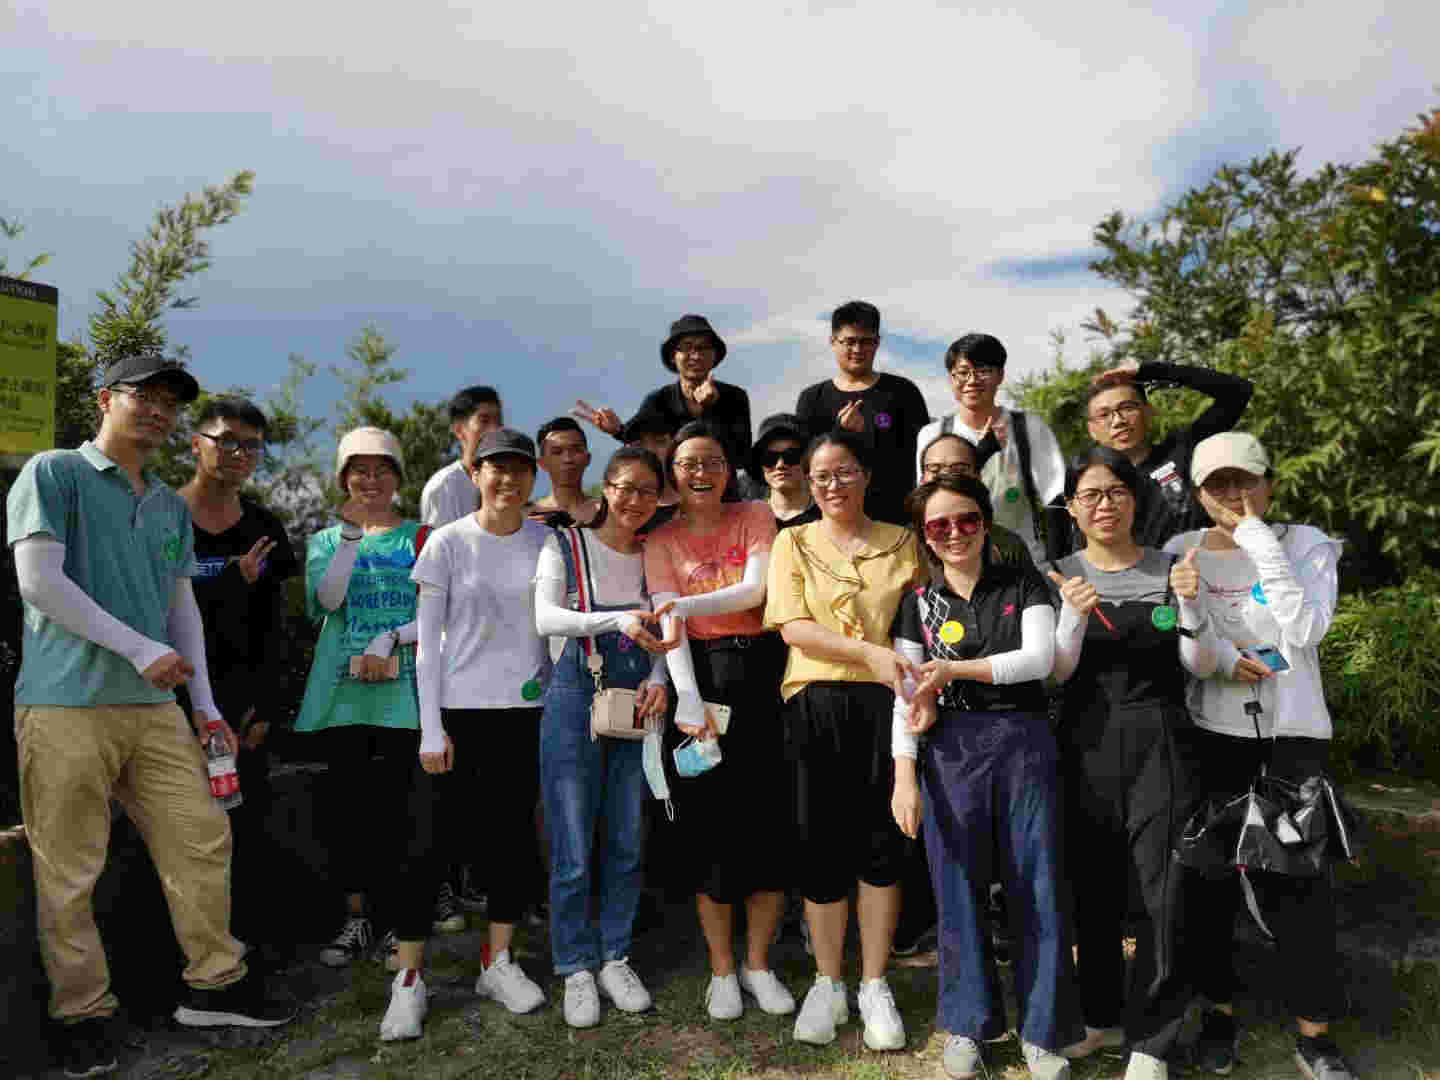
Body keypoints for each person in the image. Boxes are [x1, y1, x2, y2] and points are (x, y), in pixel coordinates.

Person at [8, 354, 293, 1077]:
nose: (159, 412)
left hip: (155, 706)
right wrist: (139, 651)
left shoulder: (166, 503)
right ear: (106, 399)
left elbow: (179, 603)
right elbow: (38, 581)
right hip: (64, 702)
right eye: (145, 397)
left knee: (201, 836)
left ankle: (214, 984)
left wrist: (206, 705)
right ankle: (83, 1015)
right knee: (69, 868)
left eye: (171, 403)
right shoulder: (53, 473)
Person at [1162, 433, 1354, 1080]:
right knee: (1209, 885)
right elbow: (1185, 651)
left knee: (1301, 885)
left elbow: (1305, 630)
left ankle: (1315, 1035)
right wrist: (1207, 634)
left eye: (1244, 479)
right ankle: (1218, 1017)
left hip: (1293, 738)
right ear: (1197, 494)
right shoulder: (1179, 551)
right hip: (1213, 737)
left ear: (1269, 483)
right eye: (1216, 484)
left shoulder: (1306, 544)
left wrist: (1257, 539)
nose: (1232, 494)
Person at [891, 475, 1080, 1080]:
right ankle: (968, 1024)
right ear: (925, 535)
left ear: (986, 522)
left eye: (967, 519)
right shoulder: (915, 601)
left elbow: (1039, 661)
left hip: (1024, 741)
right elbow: (906, 696)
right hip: (949, 751)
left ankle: (1044, 1032)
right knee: (957, 888)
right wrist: (903, 773)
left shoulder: (1023, 584)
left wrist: (953, 671)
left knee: (1037, 885)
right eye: (939, 525)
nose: (955, 533)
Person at [376, 429, 556, 1039]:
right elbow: (427, 644)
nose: (508, 479)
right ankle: (409, 979)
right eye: (495, 468)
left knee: (511, 844)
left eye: (520, 469)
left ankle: (497, 962)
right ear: (475, 474)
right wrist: (431, 728)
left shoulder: (546, 541)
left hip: (523, 715)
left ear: (533, 478)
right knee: (426, 846)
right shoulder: (447, 542)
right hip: (454, 717)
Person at [1046, 447, 1217, 1080]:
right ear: (1072, 508)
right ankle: (1099, 1017)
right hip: (1083, 739)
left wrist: (1192, 606)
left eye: (1116, 491)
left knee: (1161, 889)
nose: (1104, 505)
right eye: (1090, 495)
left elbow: (1201, 665)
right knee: (1090, 885)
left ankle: (1152, 1039)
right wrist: (1070, 616)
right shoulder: (1059, 575)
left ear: (1136, 500)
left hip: (1162, 739)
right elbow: (1054, 674)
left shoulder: (1174, 569)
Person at [762, 430, 926, 1050]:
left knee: (881, 842)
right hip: (815, 700)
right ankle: (828, 982)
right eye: (822, 476)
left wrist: (891, 666)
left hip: (887, 705)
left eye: (846, 471)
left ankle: (874, 983)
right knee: (821, 843)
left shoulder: (903, 542)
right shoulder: (793, 541)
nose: (834, 485)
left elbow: (916, 626)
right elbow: (793, 627)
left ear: (866, 475)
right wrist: (868, 653)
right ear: (808, 483)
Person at [643, 422, 795, 1022]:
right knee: (708, 827)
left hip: (762, 675)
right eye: (688, 464)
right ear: (672, 475)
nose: (700, 473)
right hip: (699, 676)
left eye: (711, 462)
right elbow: (669, 627)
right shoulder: (661, 539)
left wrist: (682, 603)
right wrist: (686, 698)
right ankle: (723, 969)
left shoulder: (755, 515)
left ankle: (758, 963)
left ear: (728, 471)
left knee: (768, 823)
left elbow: (755, 592)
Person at [534, 447, 675, 1028]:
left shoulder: (656, 554)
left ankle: (615, 955)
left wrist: (660, 678)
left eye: (647, 490)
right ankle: (575, 966)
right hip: (576, 695)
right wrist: (615, 620)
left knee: (626, 835)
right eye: (624, 487)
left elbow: (669, 628)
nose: (634, 500)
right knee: (571, 839)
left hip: (636, 698)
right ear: (606, 487)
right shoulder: (565, 545)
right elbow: (546, 617)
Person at [296, 428, 427, 972]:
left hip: (406, 695)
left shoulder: (422, 537)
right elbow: (328, 601)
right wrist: (351, 537)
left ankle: (400, 921)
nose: (370, 481)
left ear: (397, 477)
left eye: (381, 470)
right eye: (359, 471)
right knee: (348, 814)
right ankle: (357, 918)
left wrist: (390, 639)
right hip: (343, 698)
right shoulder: (328, 541)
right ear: (344, 478)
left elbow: (437, 614)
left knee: (402, 812)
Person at [177, 396, 298, 956]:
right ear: (195, 443)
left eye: (251, 446)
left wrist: (267, 706)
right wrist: (229, 580)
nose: (238, 454)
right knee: (179, 831)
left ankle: (247, 951)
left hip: (242, 710)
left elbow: (275, 625)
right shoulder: (162, 516)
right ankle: (180, 957)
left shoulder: (263, 526)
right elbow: (152, 608)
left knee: (246, 827)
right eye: (226, 440)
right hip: (169, 702)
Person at [914, 333, 1064, 563]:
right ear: (951, 378)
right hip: (954, 562)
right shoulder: (933, 434)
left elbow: (1055, 500)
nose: (972, 380)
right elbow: (926, 502)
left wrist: (1059, 563)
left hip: (1021, 563)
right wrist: (982, 453)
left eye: (983, 371)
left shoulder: (1028, 428)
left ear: (1000, 375)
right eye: (963, 372)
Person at [795, 301, 930, 526]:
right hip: (832, 521)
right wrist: (840, 434)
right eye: (849, 341)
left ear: (877, 343)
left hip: (895, 520)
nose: (858, 349)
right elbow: (805, 466)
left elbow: (923, 458)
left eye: (866, 341)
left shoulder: (903, 392)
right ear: (833, 341)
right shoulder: (812, 399)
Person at [1087, 359, 1253, 540]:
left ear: (1148, 412)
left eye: (1127, 408)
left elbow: (1238, 391)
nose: (1118, 421)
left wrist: (1150, 370)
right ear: (1092, 430)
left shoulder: (1184, 449)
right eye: (1104, 415)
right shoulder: (1088, 490)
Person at [574, 314, 753, 476]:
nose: (696, 355)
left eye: (704, 347)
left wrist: (710, 410)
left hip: (722, 494)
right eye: (687, 347)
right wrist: (616, 430)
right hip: (672, 495)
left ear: (714, 356)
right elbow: (636, 438)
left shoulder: (734, 397)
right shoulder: (659, 400)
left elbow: (741, 458)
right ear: (673, 357)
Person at [919, 431, 1032, 570]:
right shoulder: (903, 544)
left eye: (959, 469)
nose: (946, 476)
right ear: (922, 480)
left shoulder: (1007, 546)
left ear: (978, 477)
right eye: (935, 469)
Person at [419, 385, 504, 527]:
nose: (494, 429)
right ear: (459, 430)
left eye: (498, 422)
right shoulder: (444, 486)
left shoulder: (508, 481)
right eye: (484, 421)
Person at [749, 413, 818, 529]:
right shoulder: (749, 521)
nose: (780, 465)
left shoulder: (829, 516)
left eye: (791, 456)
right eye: (769, 458)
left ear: (808, 460)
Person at [528, 416, 602, 526]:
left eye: (576, 450)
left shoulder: (606, 512)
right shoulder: (528, 517)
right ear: (542, 463)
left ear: (588, 458)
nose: (567, 459)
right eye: (557, 452)